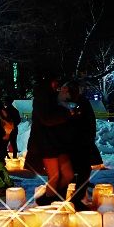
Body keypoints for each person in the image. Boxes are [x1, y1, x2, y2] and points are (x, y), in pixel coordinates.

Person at [24, 73, 73, 206]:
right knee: (55, 176)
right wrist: (67, 114)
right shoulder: (42, 97)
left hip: (59, 142)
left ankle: (55, 198)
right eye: (55, 81)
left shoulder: (52, 96)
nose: (57, 84)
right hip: (46, 143)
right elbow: (47, 118)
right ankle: (47, 202)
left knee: (68, 174)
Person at [63, 80, 102, 210]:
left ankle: (74, 196)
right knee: (75, 171)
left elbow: (90, 121)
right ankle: (69, 198)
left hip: (80, 143)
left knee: (82, 170)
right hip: (73, 143)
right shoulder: (67, 103)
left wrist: (89, 137)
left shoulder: (81, 102)